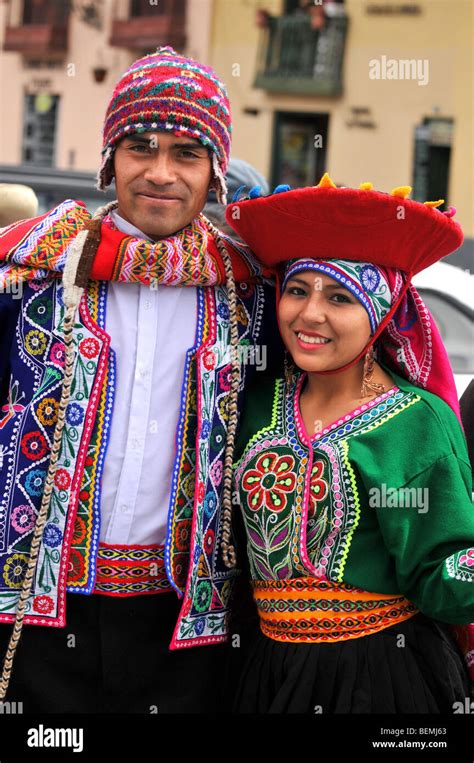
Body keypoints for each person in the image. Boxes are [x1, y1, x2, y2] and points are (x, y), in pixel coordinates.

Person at [0, 46, 280, 713]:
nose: (160, 173)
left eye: (187, 152)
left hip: (190, 629)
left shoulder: (254, 296)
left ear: (215, 172)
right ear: (108, 160)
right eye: (139, 147)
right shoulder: (30, 277)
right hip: (35, 619)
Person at [223, 173, 474, 713]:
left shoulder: (413, 423)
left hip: (381, 679)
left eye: (339, 297)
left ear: (381, 312)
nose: (310, 315)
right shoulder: (255, 403)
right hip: (265, 672)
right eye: (296, 289)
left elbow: (442, 575)